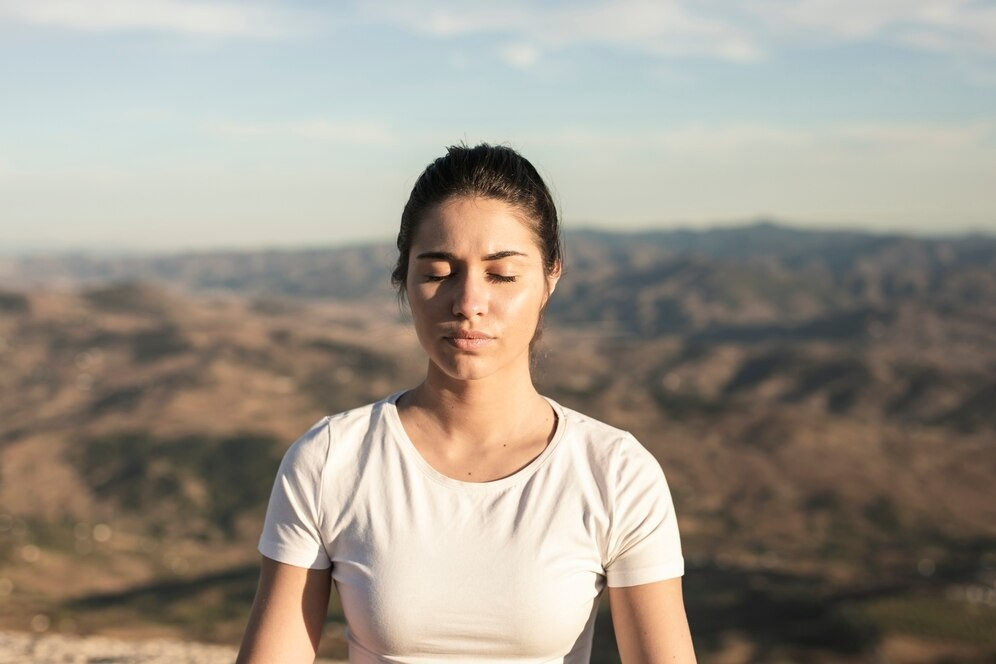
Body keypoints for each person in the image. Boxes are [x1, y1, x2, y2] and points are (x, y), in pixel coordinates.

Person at [237, 143, 696, 663]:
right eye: (437, 272)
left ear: (550, 278)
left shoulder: (615, 473)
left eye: (501, 275)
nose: (468, 302)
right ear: (403, 281)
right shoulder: (330, 460)